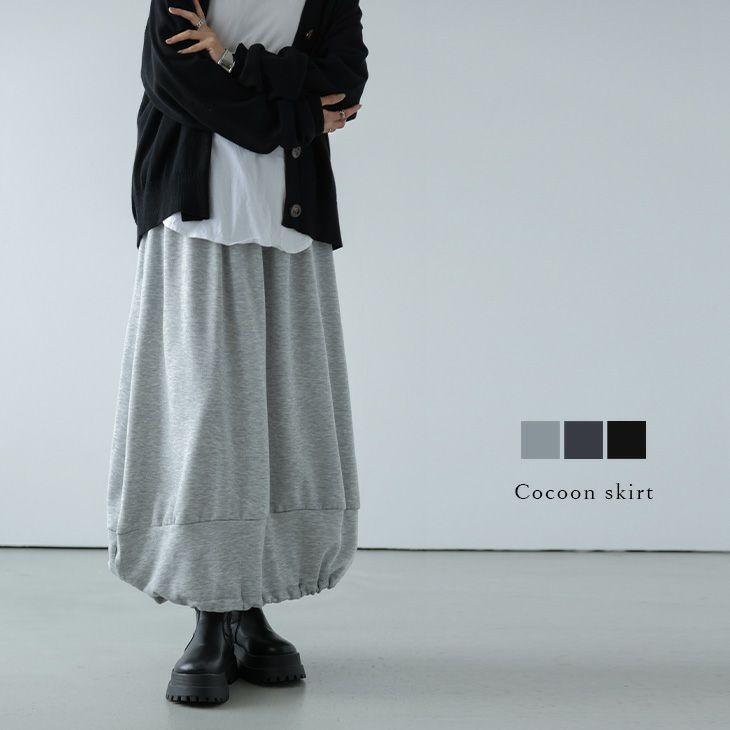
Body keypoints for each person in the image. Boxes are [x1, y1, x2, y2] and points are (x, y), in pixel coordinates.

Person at [105, 0, 368, 705]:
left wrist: (231, 59)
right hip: (196, 219)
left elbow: (345, 83)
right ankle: (209, 613)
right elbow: (178, 85)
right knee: (206, 424)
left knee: (284, 421)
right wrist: (298, 117)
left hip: (290, 221)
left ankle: (250, 603)